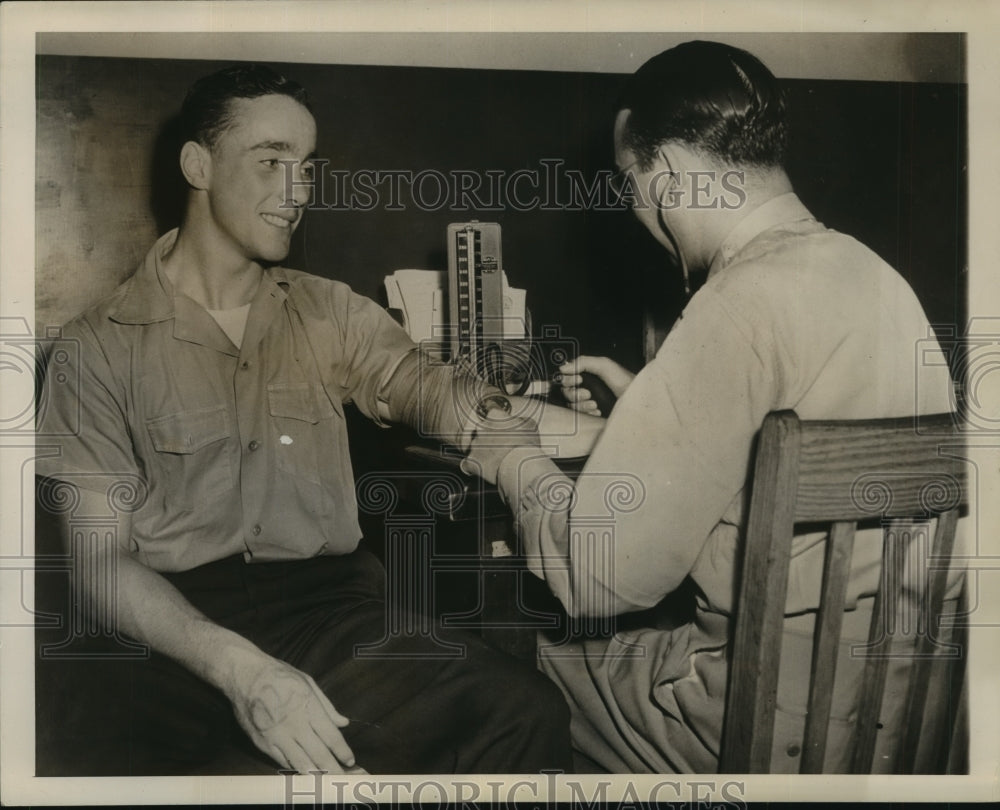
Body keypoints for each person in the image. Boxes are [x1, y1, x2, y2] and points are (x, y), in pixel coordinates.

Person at [35, 64, 572, 776]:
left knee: (523, 710)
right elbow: (98, 564)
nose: (298, 191)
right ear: (198, 165)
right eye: (271, 161)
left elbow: (431, 389)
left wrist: (547, 428)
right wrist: (243, 672)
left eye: (308, 167)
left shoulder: (329, 311)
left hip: (330, 612)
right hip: (174, 635)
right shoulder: (96, 346)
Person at [466, 41, 962, 773]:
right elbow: (794, 454)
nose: (633, 205)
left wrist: (514, 461)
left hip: (764, 725)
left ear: (667, 174)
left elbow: (600, 575)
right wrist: (648, 414)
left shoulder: (736, 304)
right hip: (905, 713)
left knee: (508, 655)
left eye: (629, 182)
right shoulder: (877, 276)